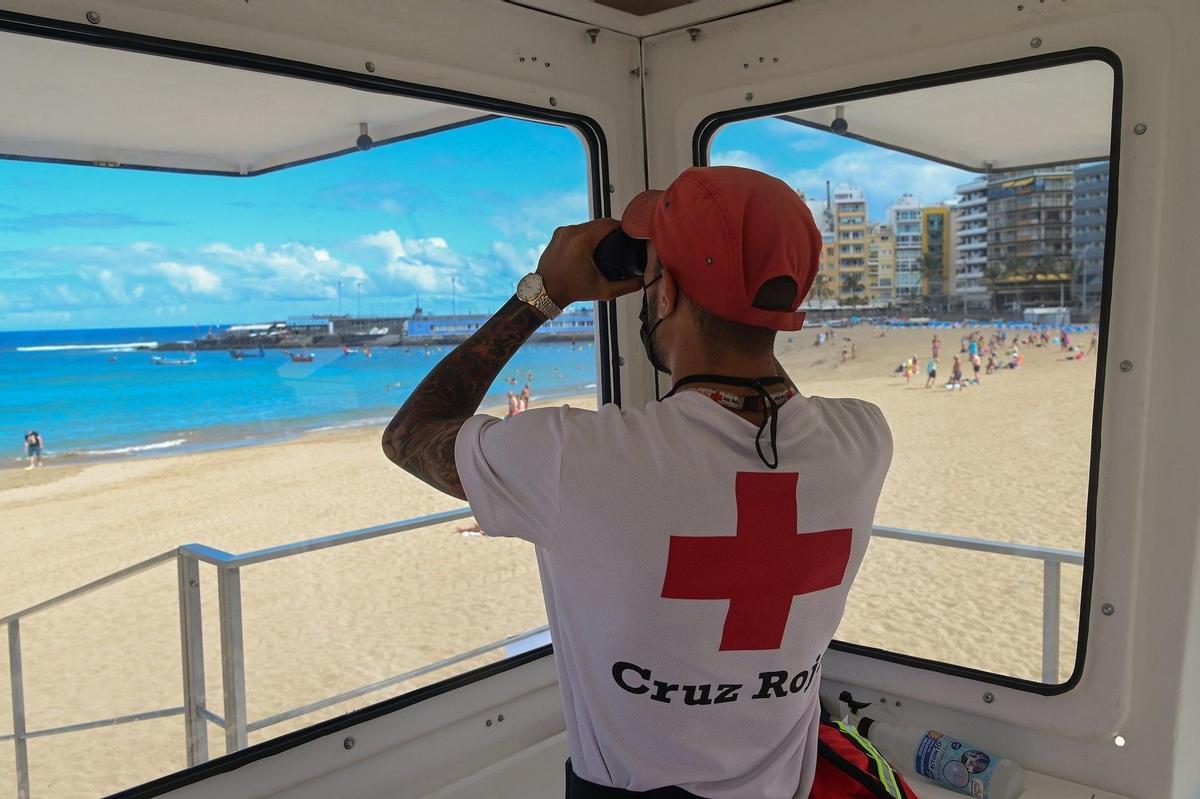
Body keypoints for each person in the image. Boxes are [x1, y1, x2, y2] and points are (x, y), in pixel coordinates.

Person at [380, 166, 893, 798]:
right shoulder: (864, 439)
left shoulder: (579, 459)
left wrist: (544, 292)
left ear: (665, 293)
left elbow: (409, 433)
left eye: (650, 277)